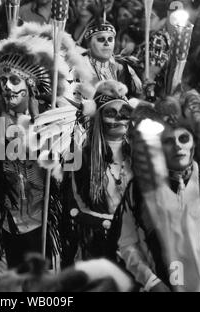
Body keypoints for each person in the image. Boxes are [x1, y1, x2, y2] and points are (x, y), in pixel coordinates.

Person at [0, 24, 73, 271]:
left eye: (15, 80)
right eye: (3, 80)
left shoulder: (55, 118)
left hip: (45, 223)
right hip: (4, 222)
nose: (7, 87)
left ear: (32, 84)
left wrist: (40, 123)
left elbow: (63, 169)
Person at [117, 98, 200, 292]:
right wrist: (151, 282)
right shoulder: (139, 189)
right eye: (168, 141)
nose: (178, 146)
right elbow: (127, 244)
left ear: (194, 143)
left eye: (183, 139)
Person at [63, 80, 134, 262]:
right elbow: (74, 205)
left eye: (124, 112)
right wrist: (109, 224)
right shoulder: (80, 156)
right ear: (99, 116)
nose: (118, 118)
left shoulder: (140, 156)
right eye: (111, 112)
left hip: (133, 248)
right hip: (96, 246)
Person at [79, 17, 142, 97]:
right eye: (101, 39)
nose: (107, 43)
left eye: (110, 39)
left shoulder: (124, 66)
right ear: (89, 43)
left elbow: (136, 96)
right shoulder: (78, 65)